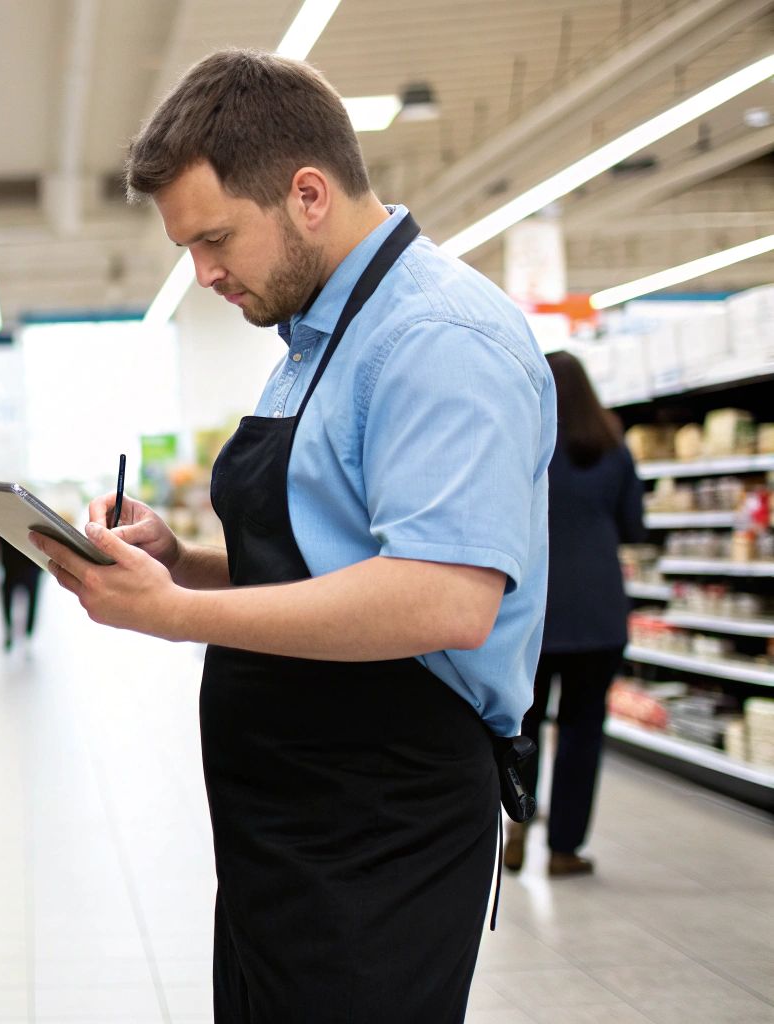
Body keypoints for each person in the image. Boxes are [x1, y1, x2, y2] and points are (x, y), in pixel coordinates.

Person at [29, 50, 555, 1023]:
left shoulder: (435, 338)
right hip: (288, 823)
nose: (201, 273)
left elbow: (444, 596)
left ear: (306, 194)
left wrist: (180, 615)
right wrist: (179, 561)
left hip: (378, 820)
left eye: (215, 237)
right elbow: (332, 551)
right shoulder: (314, 336)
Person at [510, 351, 646, 877]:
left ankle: (518, 824)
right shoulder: (613, 447)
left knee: (523, 723)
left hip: (532, 608)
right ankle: (565, 849)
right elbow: (634, 525)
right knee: (583, 730)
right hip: (598, 613)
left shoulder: (522, 443)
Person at [0, 533, 42, 650]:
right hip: (22, 563)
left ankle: (24, 633)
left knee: (14, 598)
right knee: (30, 599)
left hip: (21, 563)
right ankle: (20, 633)